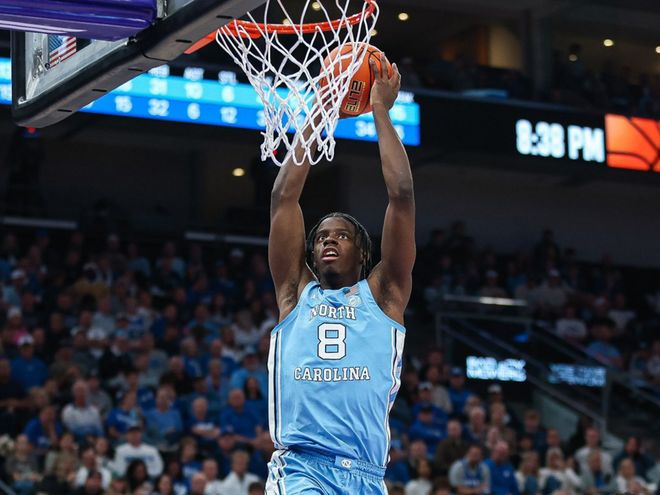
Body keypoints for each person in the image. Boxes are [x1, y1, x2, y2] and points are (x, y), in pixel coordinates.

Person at [265, 57, 414, 494]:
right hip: (302, 468)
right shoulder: (295, 293)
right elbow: (283, 199)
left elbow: (402, 196)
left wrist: (380, 109)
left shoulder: (386, 294)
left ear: (363, 253)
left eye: (342, 236)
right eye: (320, 238)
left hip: (367, 476)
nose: (328, 241)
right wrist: (321, 110)